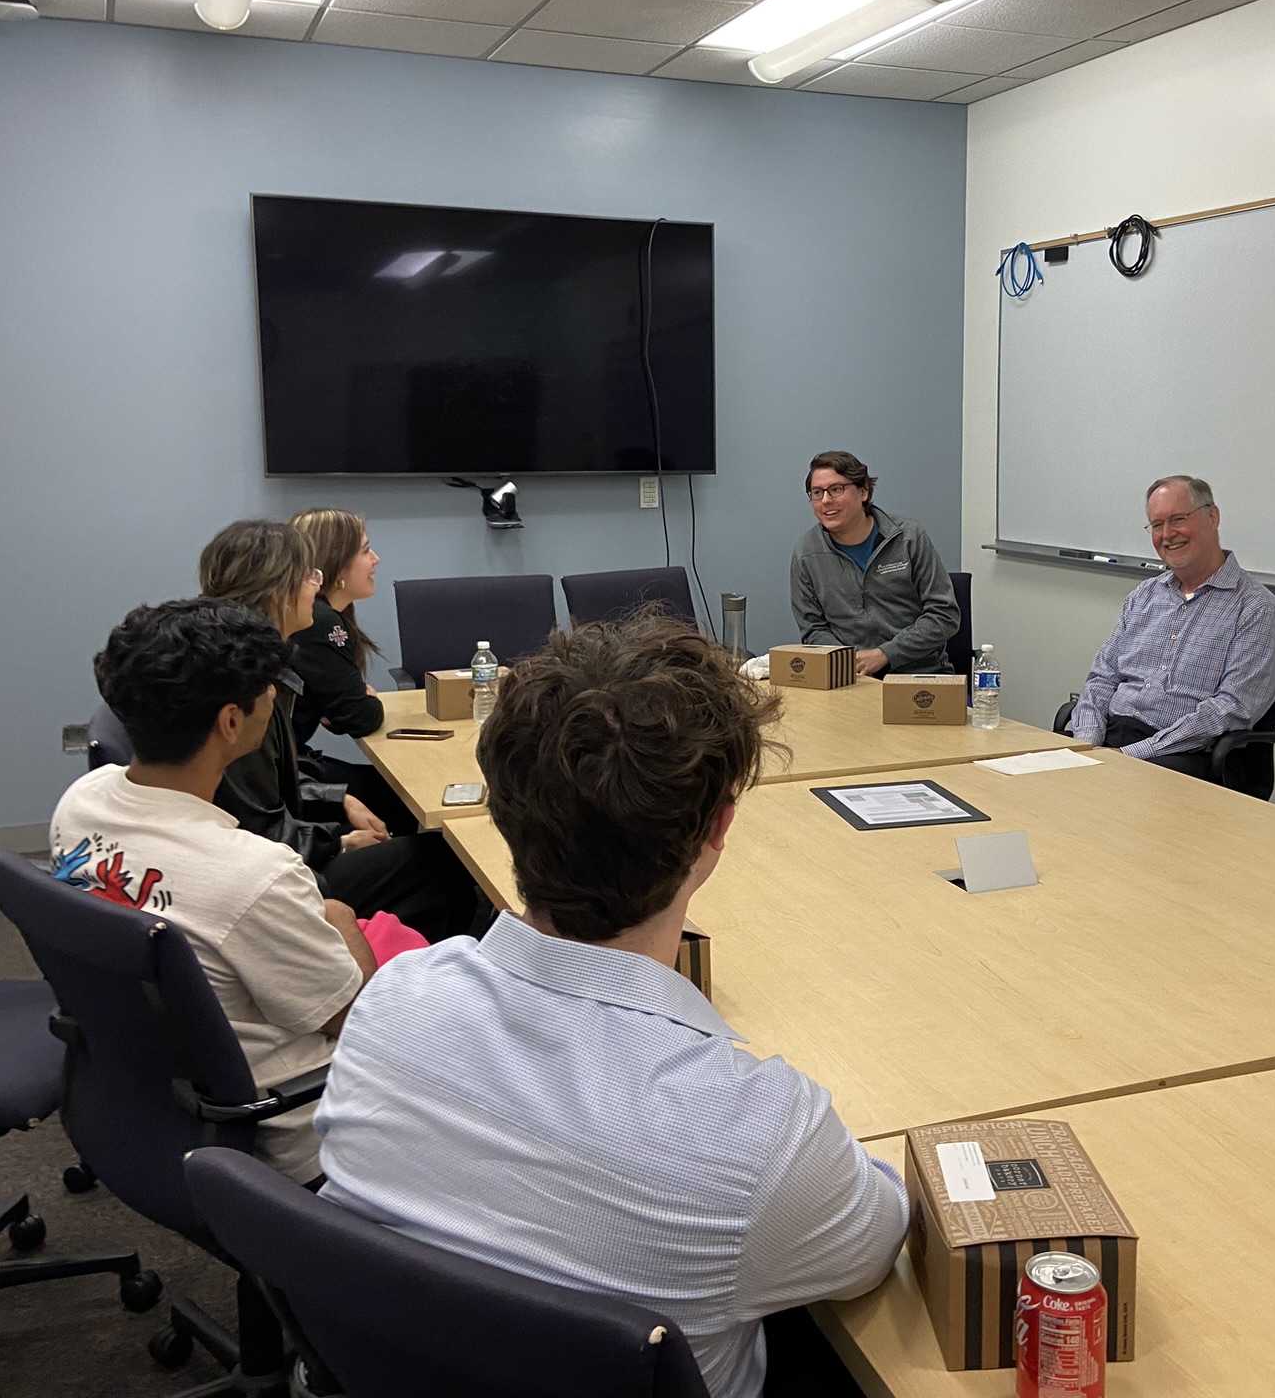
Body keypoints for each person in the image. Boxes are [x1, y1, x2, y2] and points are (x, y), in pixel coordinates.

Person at [314, 616, 907, 1398]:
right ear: (720, 826)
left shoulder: (394, 1000)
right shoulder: (759, 1138)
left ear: (502, 813)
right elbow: (873, 1243)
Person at [49, 599, 375, 1183]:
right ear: (231, 722)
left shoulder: (81, 802)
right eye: (269, 688)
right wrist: (341, 918)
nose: (275, 697)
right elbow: (355, 1020)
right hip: (300, 1128)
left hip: (150, 1088)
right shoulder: (255, 874)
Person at [198, 519, 489, 942]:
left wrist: (336, 797)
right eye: (308, 577)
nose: (315, 588)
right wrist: (338, 841)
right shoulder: (245, 691)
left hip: (278, 850)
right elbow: (261, 826)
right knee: (447, 859)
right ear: (275, 591)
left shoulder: (241, 663)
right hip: (280, 883)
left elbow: (271, 787)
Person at [1070, 475, 1275, 777]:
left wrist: (1127, 755)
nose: (1168, 534)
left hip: (1181, 754)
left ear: (1212, 517)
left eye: (1178, 519)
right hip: (1109, 741)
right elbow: (1102, 679)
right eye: (1157, 525)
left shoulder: (1256, 610)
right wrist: (1086, 745)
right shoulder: (1144, 596)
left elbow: (1230, 710)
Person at [287, 508, 414, 836]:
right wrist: (367, 700)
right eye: (364, 550)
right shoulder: (319, 619)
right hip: (288, 774)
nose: (376, 559)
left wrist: (350, 704)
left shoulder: (319, 612)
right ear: (336, 563)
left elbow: (342, 712)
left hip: (291, 763)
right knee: (401, 796)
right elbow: (359, 717)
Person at [789, 449, 959, 676]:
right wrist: (848, 660)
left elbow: (944, 614)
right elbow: (813, 629)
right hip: (849, 676)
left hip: (919, 673)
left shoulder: (908, 538)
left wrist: (885, 654)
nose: (826, 500)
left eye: (837, 489)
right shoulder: (806, 554)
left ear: (864, 492)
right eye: (817, 492)